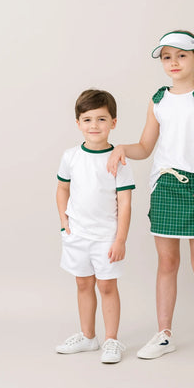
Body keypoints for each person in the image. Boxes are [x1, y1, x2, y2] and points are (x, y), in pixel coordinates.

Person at [107, 30, 194, 362]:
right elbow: (145, 147)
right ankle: (164, 334)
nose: (173, 62)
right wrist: (121, 147)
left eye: (181, 55)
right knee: (167, 263)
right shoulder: (158, 100)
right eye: (167, 57)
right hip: (164, 186)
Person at [55, 89, 135, 364]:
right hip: (77, 235)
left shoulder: (118, 160)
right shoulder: (71, 156)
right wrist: (64, 221)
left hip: (106, 237)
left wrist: (120, 239)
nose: (94, 125)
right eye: (87, 119)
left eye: (101, 119)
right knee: (82, 283)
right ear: (78, 123)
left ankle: (111, 340)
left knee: (107, 287)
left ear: (113, 122)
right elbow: (62, 189)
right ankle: (88, 337)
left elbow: (125, 203)